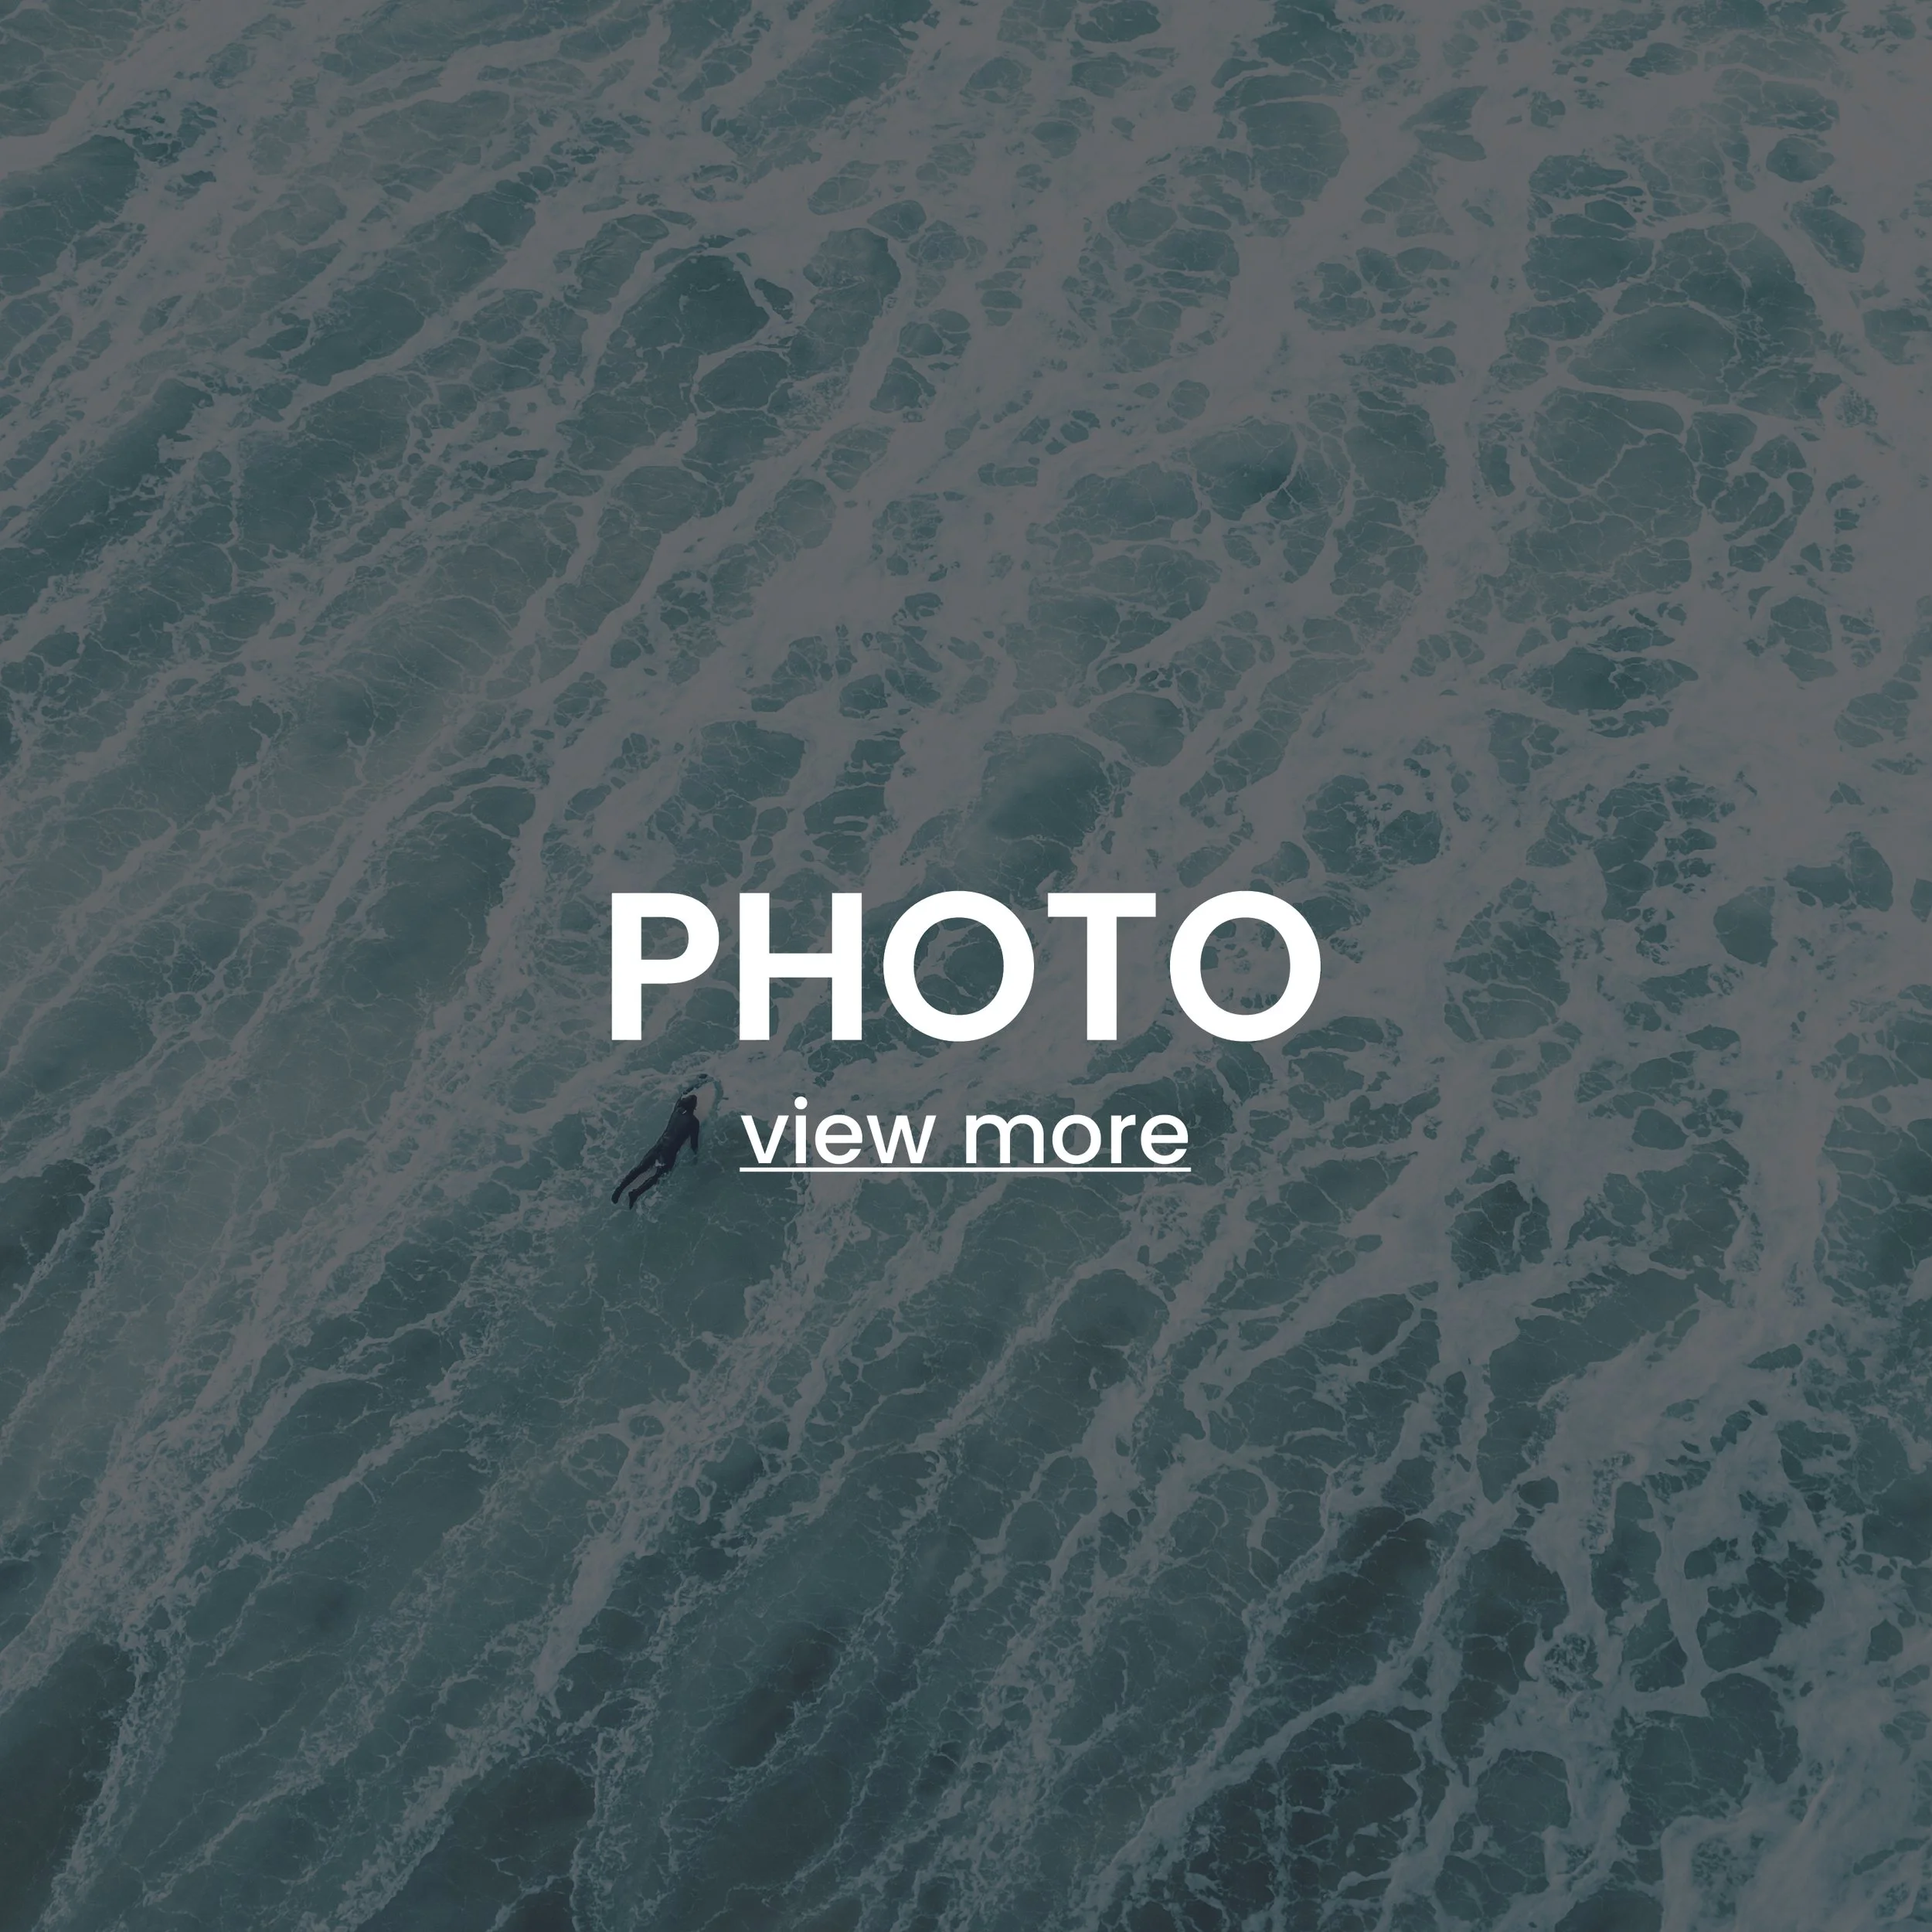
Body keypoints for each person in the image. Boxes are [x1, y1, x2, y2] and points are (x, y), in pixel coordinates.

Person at [612, 1090, 702, 1208]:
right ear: (694, 1108)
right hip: (669, 1153)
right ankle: (635, 1194)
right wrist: (696, 1157)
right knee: (657, 1177)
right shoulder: (694, 1122)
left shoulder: (678, 1108)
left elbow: (682, 1094)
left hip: (658, 1146)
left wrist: (698, 1083)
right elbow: (694, 1143)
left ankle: (619, 1190)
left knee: (639, 1169)